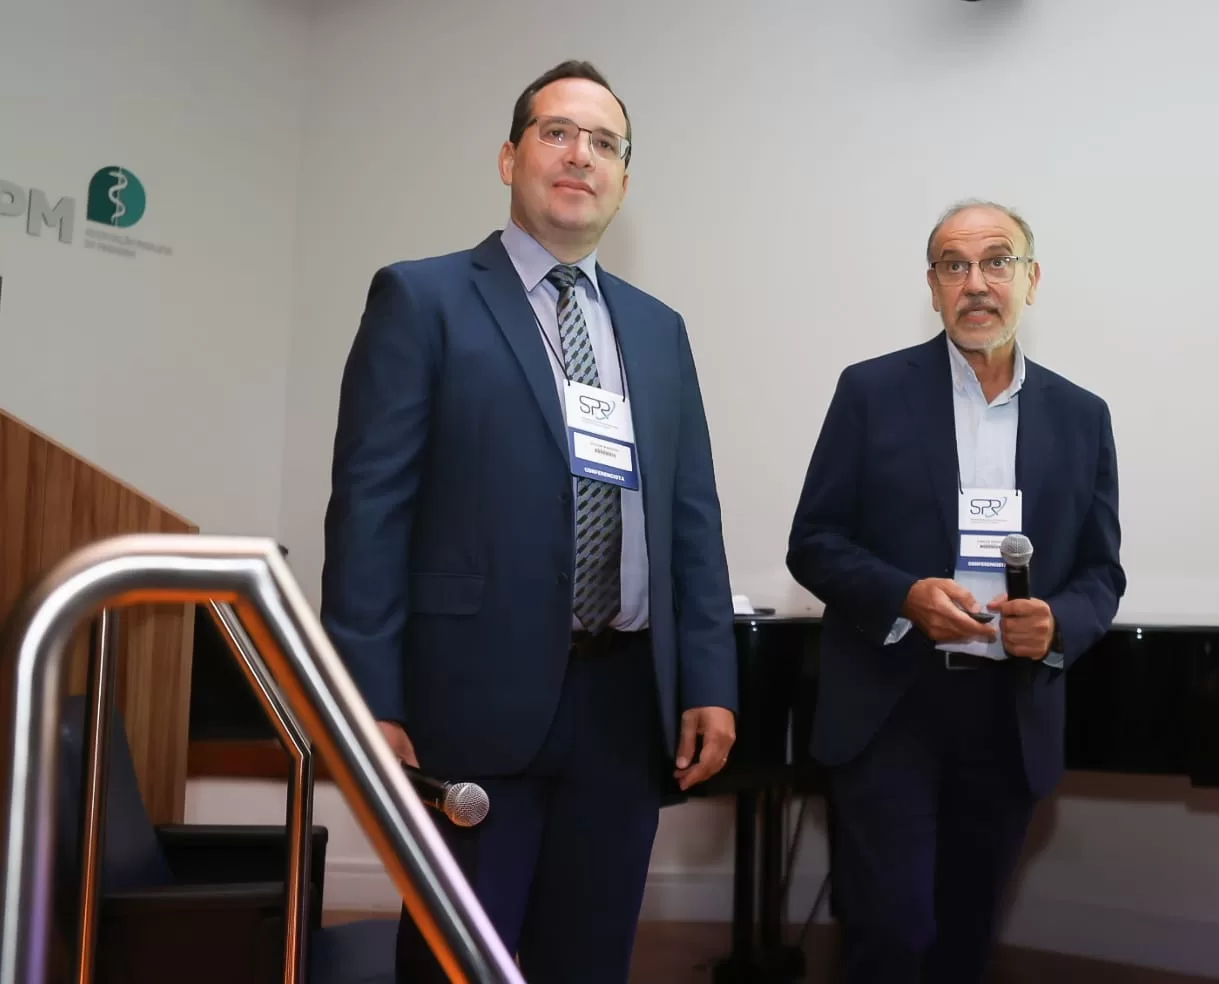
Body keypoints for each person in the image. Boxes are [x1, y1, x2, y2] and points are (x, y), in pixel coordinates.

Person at [320, 60, 739, 984]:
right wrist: (368, 700)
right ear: (510, 158)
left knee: (589, 960)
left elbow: (690, 518)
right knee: (454, 963)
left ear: (623, 179)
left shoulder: (658, 329)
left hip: (625, 707)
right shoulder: (421, 298)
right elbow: (370, 513)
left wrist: (710, 677)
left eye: (605, 144)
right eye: (557, 133)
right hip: (470, 700)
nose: (580, 155)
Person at [786, 200, 1125, 983]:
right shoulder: (870, 392)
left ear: (1030, 280)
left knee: (963, 942)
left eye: (996, 261)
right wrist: (904, 595)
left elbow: (1100, 573)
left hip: (1009, 713)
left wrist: (1058, 623)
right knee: (891, 930)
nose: (975, 282)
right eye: (953, 265)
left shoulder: (1082, 417)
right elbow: (814, 542)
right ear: (933, 286)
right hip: (892, 704)